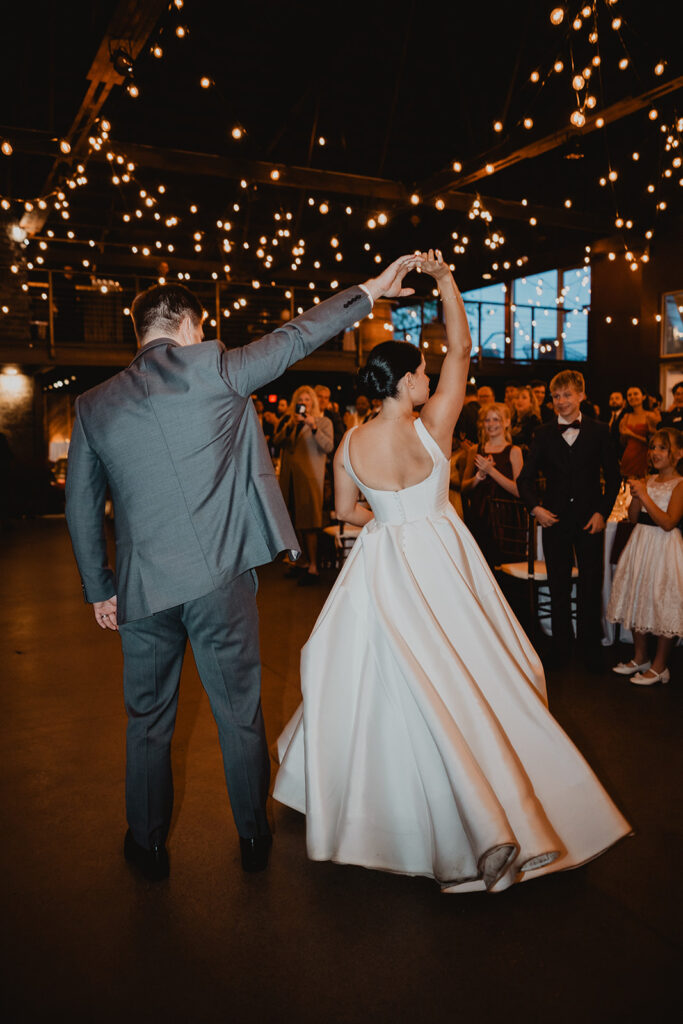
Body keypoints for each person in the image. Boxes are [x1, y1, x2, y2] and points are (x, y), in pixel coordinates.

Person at [273, 250, 630, 895]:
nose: (427, 380)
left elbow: (345, 513)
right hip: (444, 557)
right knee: (477, 671)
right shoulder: (434, 429)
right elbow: (462, 351)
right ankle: (500, 800)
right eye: (419, 373)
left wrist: (387, 525)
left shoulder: (350, 443)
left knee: (395, 681)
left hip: (385, 565)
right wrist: (444, 281)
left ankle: (406, 809)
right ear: (406, 380)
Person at [64, 255, 419, 881]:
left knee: (147, 721)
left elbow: (81, 507)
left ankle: (147, 848)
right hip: (220, 581)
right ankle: (253, 837)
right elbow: (300, 333)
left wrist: (100, 588)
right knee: (239, 715)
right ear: (190, 325)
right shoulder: (220, 370)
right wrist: (370, 291)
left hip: (142, 590)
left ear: (142, 332)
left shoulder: (95, 406)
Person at [517, 370, 621, 671]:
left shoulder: (601, 430)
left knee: (591, 582)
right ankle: (560, 647)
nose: (561, 402)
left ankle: (590, 646)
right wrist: (535, 508)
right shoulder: (542, 433)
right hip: (554, 520)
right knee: (559, 584)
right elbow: (525, 480)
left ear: (581, 396)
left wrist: (603, 511)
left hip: (591, 520)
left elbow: (613, 479)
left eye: (567, 395)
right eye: (556, 397)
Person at [608, 428, 683, 685]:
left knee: (662, 600)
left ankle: (661, 666)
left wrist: (646, 495)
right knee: (637, 593)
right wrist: (637, 495)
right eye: (653, 447)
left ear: (679, 453)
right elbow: (632, 517)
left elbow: (669, 522)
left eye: (663, 447)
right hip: (640, 542)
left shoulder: (680, 484)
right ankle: (641, 657)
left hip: (664, 546)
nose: (655, 453)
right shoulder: (648, 479)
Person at [272, 385, 334, 583]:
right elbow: (277, 441)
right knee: (293, 524)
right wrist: (291, 425)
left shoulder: (323, 422)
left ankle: (314, 566)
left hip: (309, 480)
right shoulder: (289, 421)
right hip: (290, 479)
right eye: (300, 400)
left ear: (313, 402)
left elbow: (329, 446)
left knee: (309, 524)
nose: (303, 403)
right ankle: (300, 562)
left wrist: (313, 426)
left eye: (307, 400)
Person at [462, 402, 523, 568]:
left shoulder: (514, 451)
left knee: (505, 567)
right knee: (479, 566)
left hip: (506, 517)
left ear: (507, 422)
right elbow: (463, 488)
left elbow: (520, 491)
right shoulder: (475, 450)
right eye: (487, 420)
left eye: (496, 419)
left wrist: (491, 471)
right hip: (479, 516)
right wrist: (478, 477)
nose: (491, 424)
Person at [619, 385, 660, 478]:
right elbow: (623, 442)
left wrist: (632, 434)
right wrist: (624, 435)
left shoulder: (650, 416)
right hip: (628, 457)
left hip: (644, 458)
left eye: (635, 394)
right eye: (629, 395)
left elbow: (654, 442)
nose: (632, 397)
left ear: (643, 397)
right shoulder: (626, 417)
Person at [511, 385, 541, 451]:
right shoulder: (511, 420)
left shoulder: (534, 421)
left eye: (524, 398)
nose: (519, 400)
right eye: (517, 397)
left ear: (531, 402)